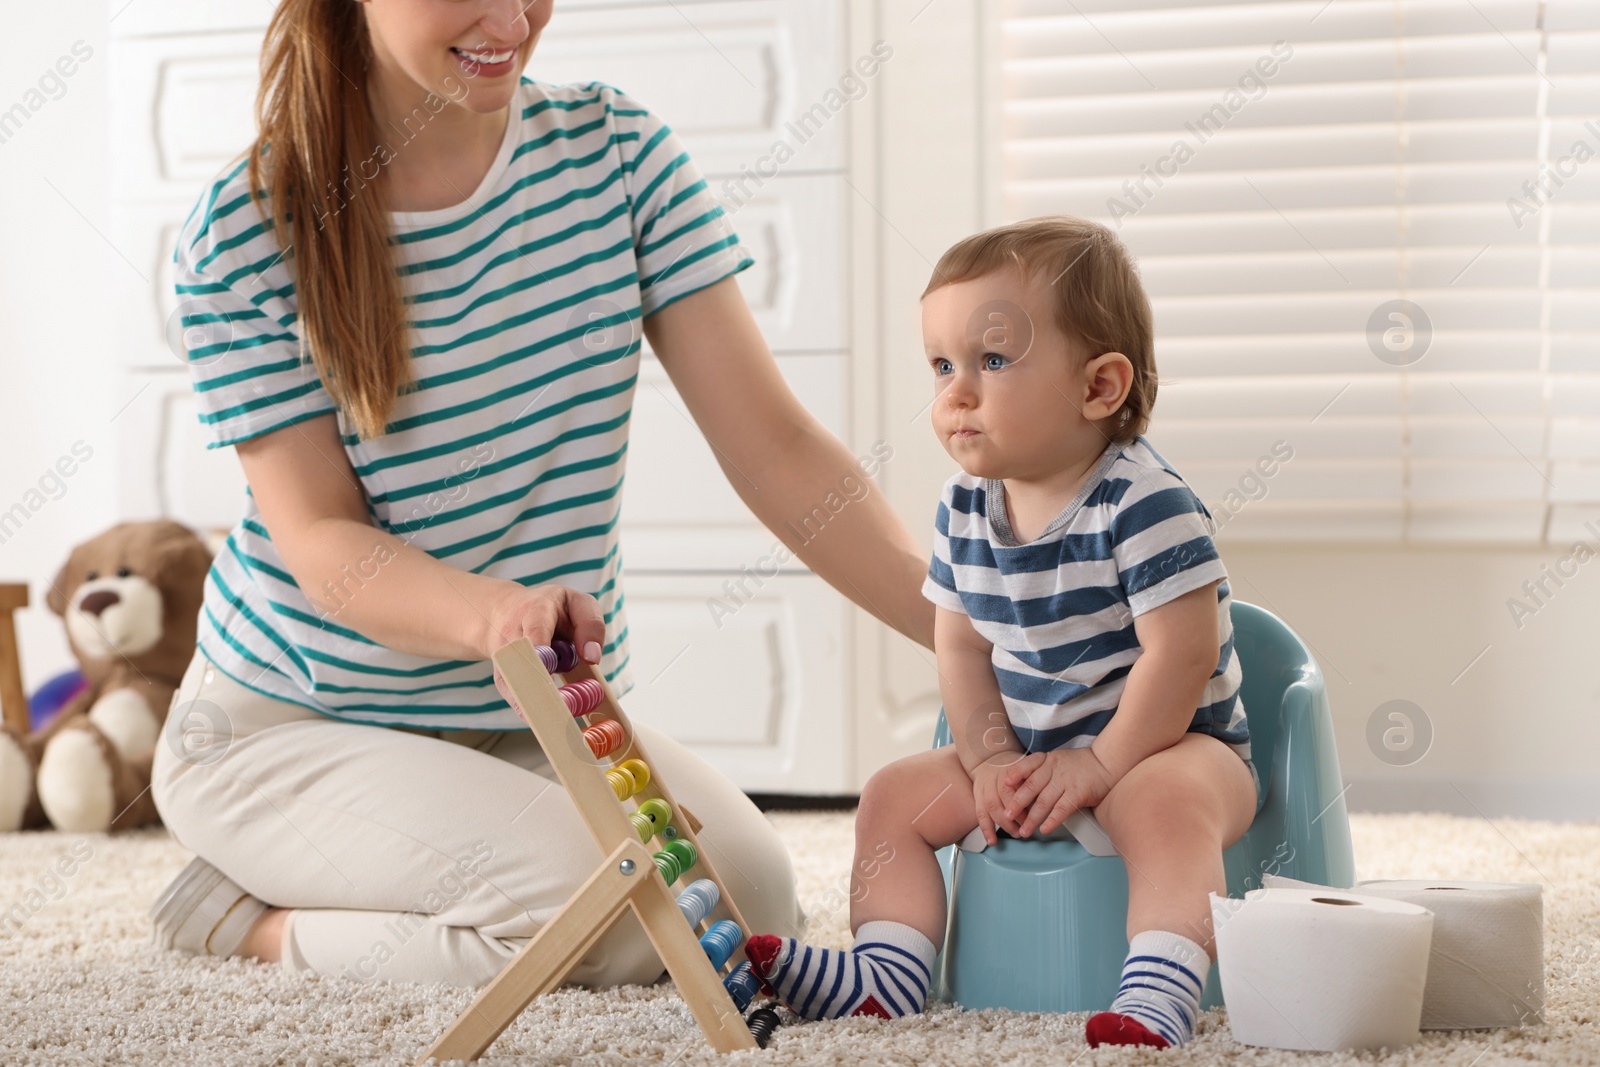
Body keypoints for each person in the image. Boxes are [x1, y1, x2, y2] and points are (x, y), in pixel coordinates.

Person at [147, 0, 932, 991]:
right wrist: (493, 615)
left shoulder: (616, 156)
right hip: (288, 728)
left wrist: (955, 624)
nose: (512, 18)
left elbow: (774, 447)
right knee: (608, 909)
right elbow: (323, 540)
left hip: (520, 718)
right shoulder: (247, 226)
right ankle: (246, 920)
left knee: (748, 901)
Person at [743, 215, 1262, 1049]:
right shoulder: (963, 510)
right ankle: (888, 971)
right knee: (890, 797)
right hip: (1026, 749)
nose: (954, 392)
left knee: (1165, 802)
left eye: (990, 362)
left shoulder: (1145, 501)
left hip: (1172, 743)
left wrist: (1101, 761)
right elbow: (962, 646)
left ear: (1099, 388)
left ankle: (1162, 985)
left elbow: (1184, 652)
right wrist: (990, 760)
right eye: (942, 365)